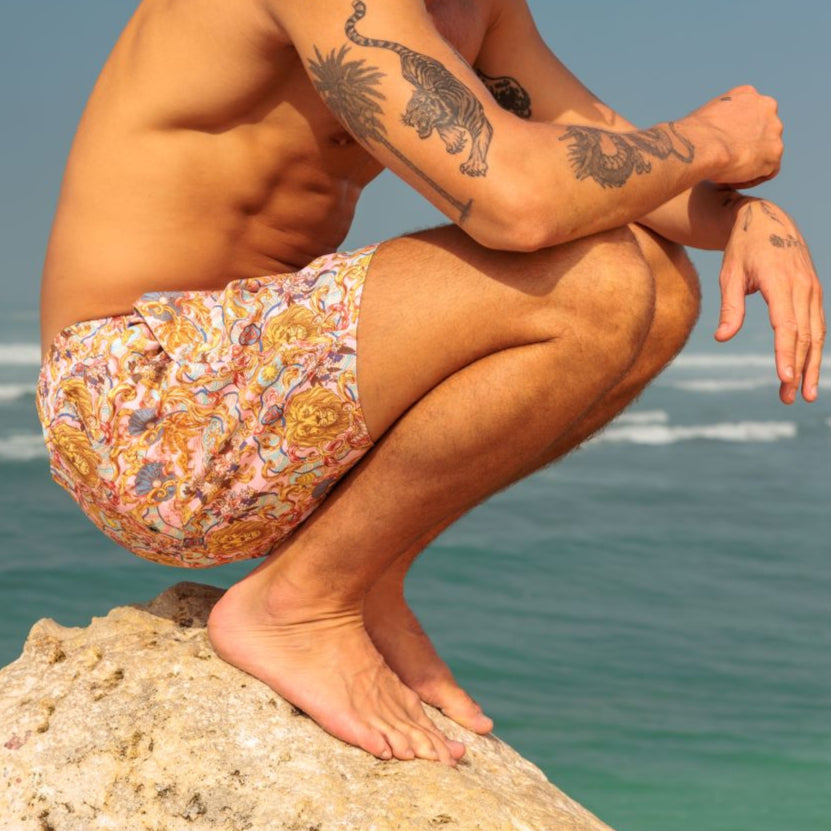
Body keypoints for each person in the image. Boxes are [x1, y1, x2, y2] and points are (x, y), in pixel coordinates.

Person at [37, 0, 823, 767]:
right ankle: (299, 603)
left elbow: (606, 154)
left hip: (270, 405)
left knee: (661, 282)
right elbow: (519, 206)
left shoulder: (478, 9)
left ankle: (359, 571)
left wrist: (750, 219)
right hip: (138, 398)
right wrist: (714, 139)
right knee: (600, 281)